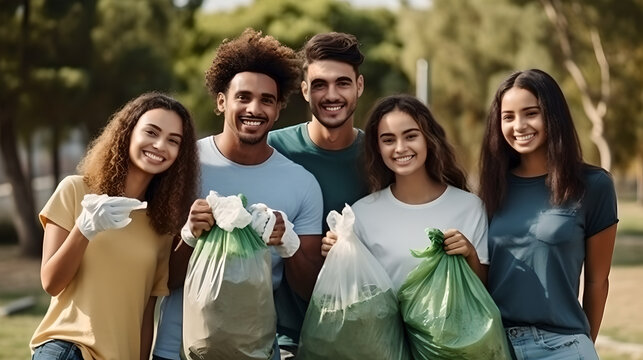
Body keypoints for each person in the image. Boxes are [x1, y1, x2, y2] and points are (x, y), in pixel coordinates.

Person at [152, 28, 324, 360]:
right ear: (221, 101)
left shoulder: (301, 184)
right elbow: (162, 279)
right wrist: (188, 234)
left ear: (278, 109)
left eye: (267, 100)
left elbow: (309, 290)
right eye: (243, 97)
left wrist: (289, 244)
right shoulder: (184, 167)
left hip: (254, 352)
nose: (254, 108)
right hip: (177, 350)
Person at [29, 92, 199, 360]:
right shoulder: (75, 191)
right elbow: (51, 283)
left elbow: (145, 313)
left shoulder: (163, 227)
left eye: (173, 141)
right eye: (151, 132)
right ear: (128, 132)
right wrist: (84, 229)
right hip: (68, 349)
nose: (159, 145)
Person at [479, 69, 618, 359]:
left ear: (553, 116)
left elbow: (597, 281)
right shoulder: (491, 189)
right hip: (497, 347)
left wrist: (583, 344)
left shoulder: (593, 186)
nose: (519, 125)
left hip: (563, 347)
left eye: (531, 113)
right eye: (508, 117)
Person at [267, 31, 369, 356]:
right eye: (320, 84)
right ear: (305, 89)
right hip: (283, 341)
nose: (332, 94)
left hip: (362, 336)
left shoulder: (379, 157)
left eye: (342, 83)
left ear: (360, 86)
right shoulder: (273, 149)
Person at [322, 93, 489, 292]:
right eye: (388, 140)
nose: (400, 148)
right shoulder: (361, 214)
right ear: (378, 148)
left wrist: (470, 254)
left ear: (428, 138)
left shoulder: (470, 207)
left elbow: (483, 290)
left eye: (411, 136)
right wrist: (337, 253)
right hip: (383, 323)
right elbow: (353, 291)